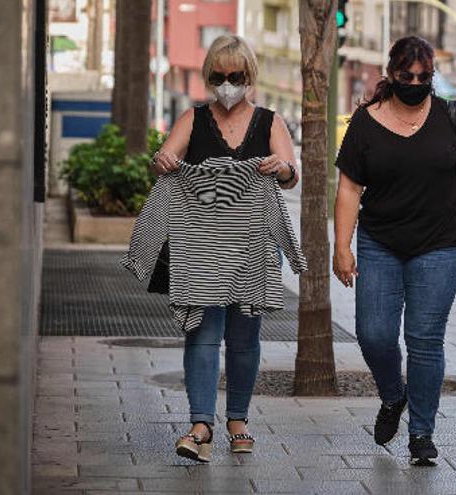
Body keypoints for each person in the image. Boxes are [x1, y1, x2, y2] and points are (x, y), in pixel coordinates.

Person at [332, 36, 456, 466]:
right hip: (380, 242)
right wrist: (341, 246)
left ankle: (422, 434)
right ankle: (393, 396)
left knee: (425, 340)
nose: (415, 83)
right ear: (390, 74)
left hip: (441, 243)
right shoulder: (366, 122)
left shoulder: (452, 115)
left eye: (423, 77)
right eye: (407, 76)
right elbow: (350, 188)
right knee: (374, 334)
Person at [149, 34, 301, 462]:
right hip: (199, 249)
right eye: (219, 75)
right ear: (208, 76)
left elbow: (292, 175)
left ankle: (237, 419)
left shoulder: (270, 122)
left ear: (249, 76)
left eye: (236, 76)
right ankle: (200, 426)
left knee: (244, 336)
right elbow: (164, 160)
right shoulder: (192, 119)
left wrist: (283, 168)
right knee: (201, 332)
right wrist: (161, 161)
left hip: (252, 249)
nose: (227, 83)